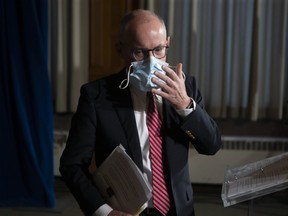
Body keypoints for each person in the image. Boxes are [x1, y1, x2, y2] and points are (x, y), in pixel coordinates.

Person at [60, 9, 221, 216]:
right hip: (126, 210)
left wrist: (184, 105)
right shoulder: (95, 97)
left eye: (159, 50)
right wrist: (104, 212)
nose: (151, 60)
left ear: (167, 43)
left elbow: (211, 145)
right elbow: (72, 165)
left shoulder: (185, 86)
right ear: (120, 49)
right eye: (139, 52)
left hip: (179, 210)